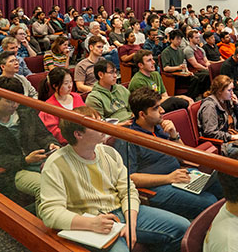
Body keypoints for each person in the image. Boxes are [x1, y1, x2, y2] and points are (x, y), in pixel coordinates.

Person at [39, 105, 189, 252]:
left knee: (184, 228)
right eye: (96, 124)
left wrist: (131, 223)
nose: (104, 125)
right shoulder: (56, 163)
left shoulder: (109, 152)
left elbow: (128, 190)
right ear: (79, 134)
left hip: (122, 212)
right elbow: (50, 212)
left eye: (101, 120)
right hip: (91, 222)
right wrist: (91, 223)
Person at [113, 87, 222, 220]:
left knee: (222, 185)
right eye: (156, 108)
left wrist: (174, 135)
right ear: (142, 114)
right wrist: (169, 178)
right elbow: (130, 178)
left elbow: (184, 157)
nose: (162, 111)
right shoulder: (128, 139)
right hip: (157, 188)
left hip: (179, 177)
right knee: (210, 201)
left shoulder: (159, 128)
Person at [0, 76, 60, 202]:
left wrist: (51, 144)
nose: (15, 105)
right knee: (45, 187)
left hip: (37, 161)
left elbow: (43, 135)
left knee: (69, 175)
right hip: (13, 170)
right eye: (9, 101)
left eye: (17, 100)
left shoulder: (25, 111)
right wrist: (25, 160)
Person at [38, 67, 86, 145]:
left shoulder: (76, 97)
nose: (70, 86)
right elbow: (55, 134)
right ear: (55, 86)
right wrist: (79, 137)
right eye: (66, 83)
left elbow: (87, 116)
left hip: (84, 137)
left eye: (71, 82)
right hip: (68, 144)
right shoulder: (49, 107)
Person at [160, 30, 209, 99]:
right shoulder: (166, 52)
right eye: (177, 39)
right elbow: (165, 68)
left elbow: (184, 64)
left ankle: (202, 96)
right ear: (171, 40)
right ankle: (190, 98)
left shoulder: (180, 50)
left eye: (180, 39)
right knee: (195, 79)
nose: (179, 41)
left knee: (202, 76)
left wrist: (188, 72)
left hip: (182, 73)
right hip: (174, 76)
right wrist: (178, 67)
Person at [85, 59, 132, 124]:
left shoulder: (121, 89)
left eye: (116, 72)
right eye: (111, 72)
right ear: (100, 75)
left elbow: (132, 109)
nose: (115, 76)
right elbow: (100, 125)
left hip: (131, 121)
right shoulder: (93, 98)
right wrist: (122, 124)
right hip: (115, 129)